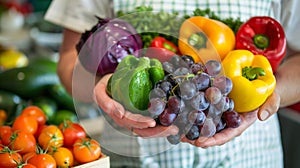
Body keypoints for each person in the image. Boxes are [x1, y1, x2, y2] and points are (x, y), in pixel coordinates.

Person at [45, 0, 300, 167]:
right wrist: (104, 84)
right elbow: (68, 59)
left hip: (251, 157)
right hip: (132, 157)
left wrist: (269, 95)